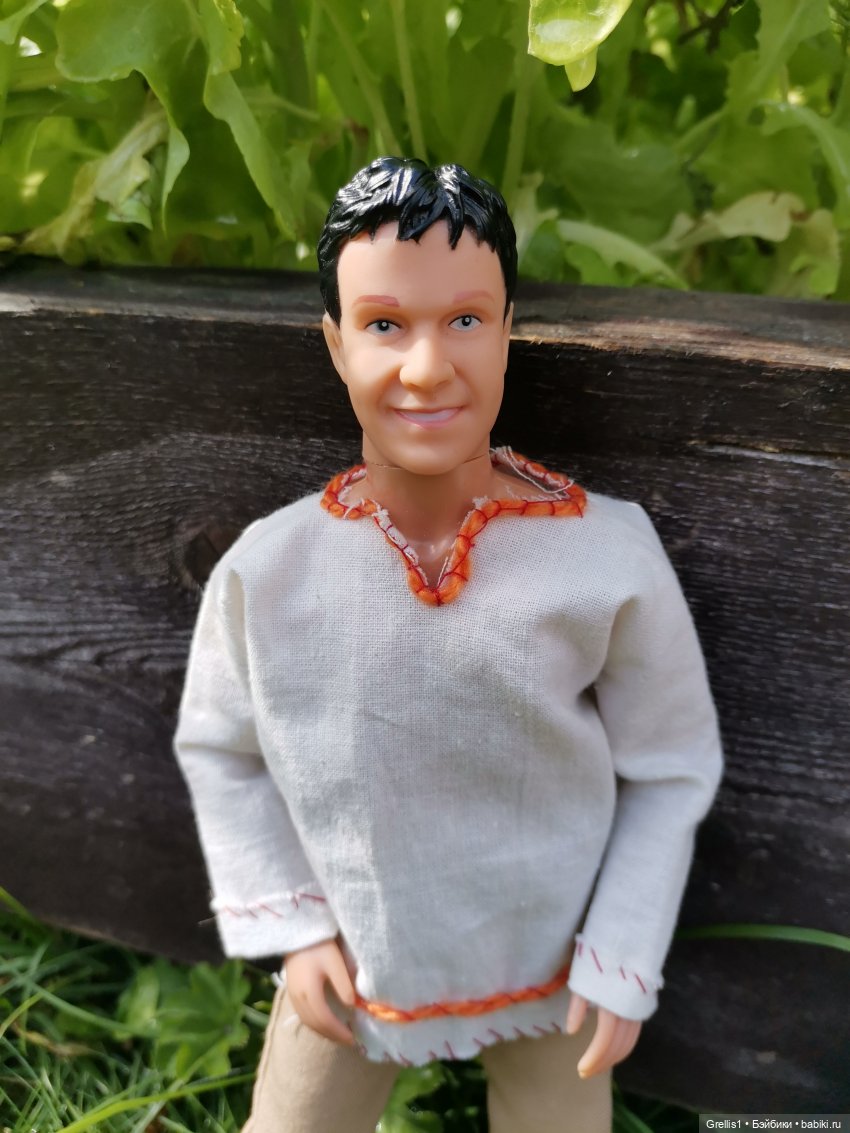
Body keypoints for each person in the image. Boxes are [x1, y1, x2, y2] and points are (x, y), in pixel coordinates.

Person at [174, 157, 723, 1133]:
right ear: (335, 343)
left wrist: (622, 946)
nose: (427, 367)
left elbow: (669, 764)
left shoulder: (604, 557)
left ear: (508, 331)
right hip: (357, 958)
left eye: (465, 319)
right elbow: (222, 746)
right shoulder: (272, 569)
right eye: (385, 325)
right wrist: (295, 924)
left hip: (554, 962)